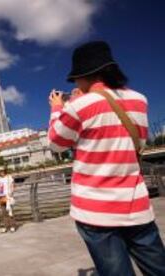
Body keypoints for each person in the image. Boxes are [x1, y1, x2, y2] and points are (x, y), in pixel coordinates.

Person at [48, 40, 165, 275]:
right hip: (137, 207)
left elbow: (56, 142)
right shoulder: (140, 100)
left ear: (85, 76)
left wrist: (58, 107)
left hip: (96, 211)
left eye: (76, 79)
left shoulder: (79, 105)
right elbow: (134, 142)